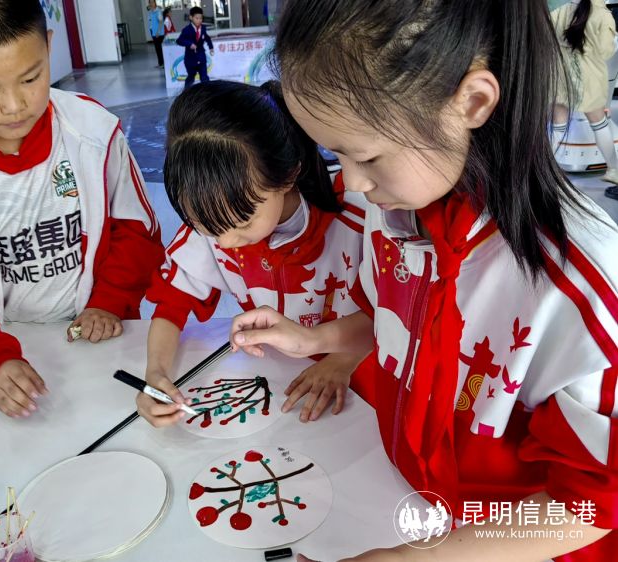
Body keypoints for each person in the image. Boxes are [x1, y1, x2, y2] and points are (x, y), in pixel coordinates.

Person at [229, 1, 618, 560]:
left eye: (366, 156)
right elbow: (386, 320)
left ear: (473, 102)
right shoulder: (393, 211)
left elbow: (590, 504)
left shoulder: (575, 286)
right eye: (334, 154)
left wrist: (420, 557)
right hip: (406, 497)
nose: (352, 183)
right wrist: (313, 339)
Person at [0, 0, 163, 419]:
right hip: (7, 342)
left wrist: (110, 300)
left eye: (30, 78)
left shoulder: (94, 132)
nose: (14, 105)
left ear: (48, 47)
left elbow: (136, 229)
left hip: (104, 329)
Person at [136, 80, 368, 427]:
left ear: (288, 176)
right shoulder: (216, 219)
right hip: (278, 383)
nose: (226, 242)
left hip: (362, 380)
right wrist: (155, 375)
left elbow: (395, 314)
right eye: (206, 225)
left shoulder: (360, 214)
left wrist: (343, 359)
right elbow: (171, 305)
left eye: (243, 222)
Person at [550, 0, 618, 200]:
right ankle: (614, 169)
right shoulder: (602, 15)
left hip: (560, 76)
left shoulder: (560, 11)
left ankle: (547, 170)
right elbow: (607, 51)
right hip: (589, 79)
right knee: (599, 124)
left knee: (558, 126)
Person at [176, 6, 214, 89]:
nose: (199, 20)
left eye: (201, 18)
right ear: (191, 17)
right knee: (191, 77)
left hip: (201, 57)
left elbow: (207, 38)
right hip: (190, 59)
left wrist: (211, 47)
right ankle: (186, 93)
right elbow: (179, 40)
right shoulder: (186, 30)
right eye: (197, 18)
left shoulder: (203, 28)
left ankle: (208, 93)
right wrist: (189, 44)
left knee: (204, 77)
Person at [147, 0, 165, 68]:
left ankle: (163, 64)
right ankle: (160, 63)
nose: (151, 3)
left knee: (160, 49)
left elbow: (161, 22)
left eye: (153, 2)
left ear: (155, 3)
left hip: (159, 33)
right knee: (157, 49)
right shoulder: (150, 12)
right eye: (150, 2)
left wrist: (158, 32)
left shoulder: (158, 11)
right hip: (153, 32)